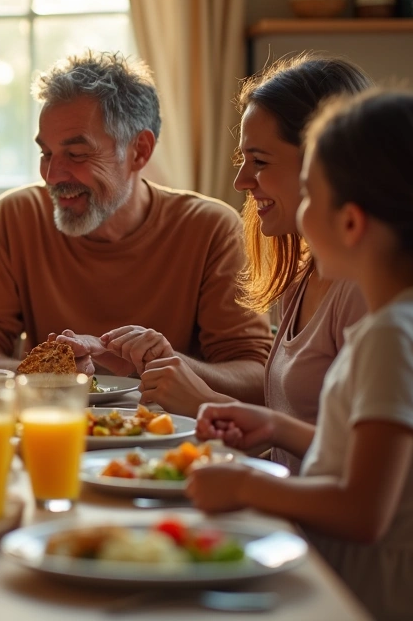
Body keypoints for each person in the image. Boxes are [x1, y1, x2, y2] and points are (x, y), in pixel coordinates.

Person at [188, 90, 413, 620]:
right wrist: (276, 427)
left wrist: (247, 485)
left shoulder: (395, 337)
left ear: (351, 223)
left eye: (311, 196)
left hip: (387, 598)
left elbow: (364, 510)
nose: (303, 212)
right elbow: (374, 463)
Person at [0, 50, 272, 407]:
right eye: (46, 153)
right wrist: (40, 379)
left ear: (139, 151)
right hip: (51, 429)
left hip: (168, 441)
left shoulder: (209, 228)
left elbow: (256, 375)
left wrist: (159, 364)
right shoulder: (16, 216)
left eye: (77, 154)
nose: (52, 175)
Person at [135, 54, 371, 469]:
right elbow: (288, 448)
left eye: (260, 162)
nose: (241, 181)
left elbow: (366, 468)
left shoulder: (363, 292)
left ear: (323, 166)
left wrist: (204, 402)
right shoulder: (302, 277)